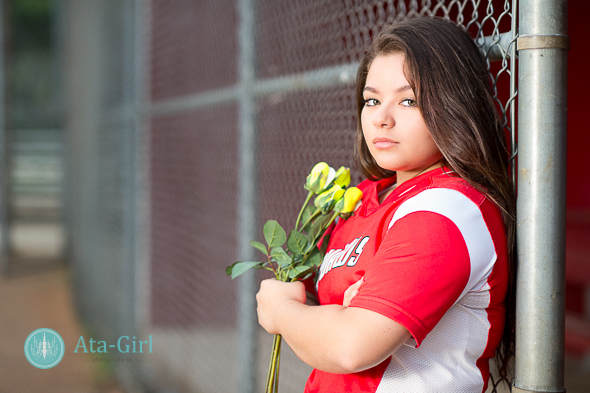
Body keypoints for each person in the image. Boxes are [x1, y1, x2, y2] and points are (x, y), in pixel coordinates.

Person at [256, 17, 515, 393]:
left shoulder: (446, 211)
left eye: (408, 100)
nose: (381, 118)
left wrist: (284, 313)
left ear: (454, 106)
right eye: (372, 99)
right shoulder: (362, 197)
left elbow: (350, 346)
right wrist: (333, 314)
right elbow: (321, 305)